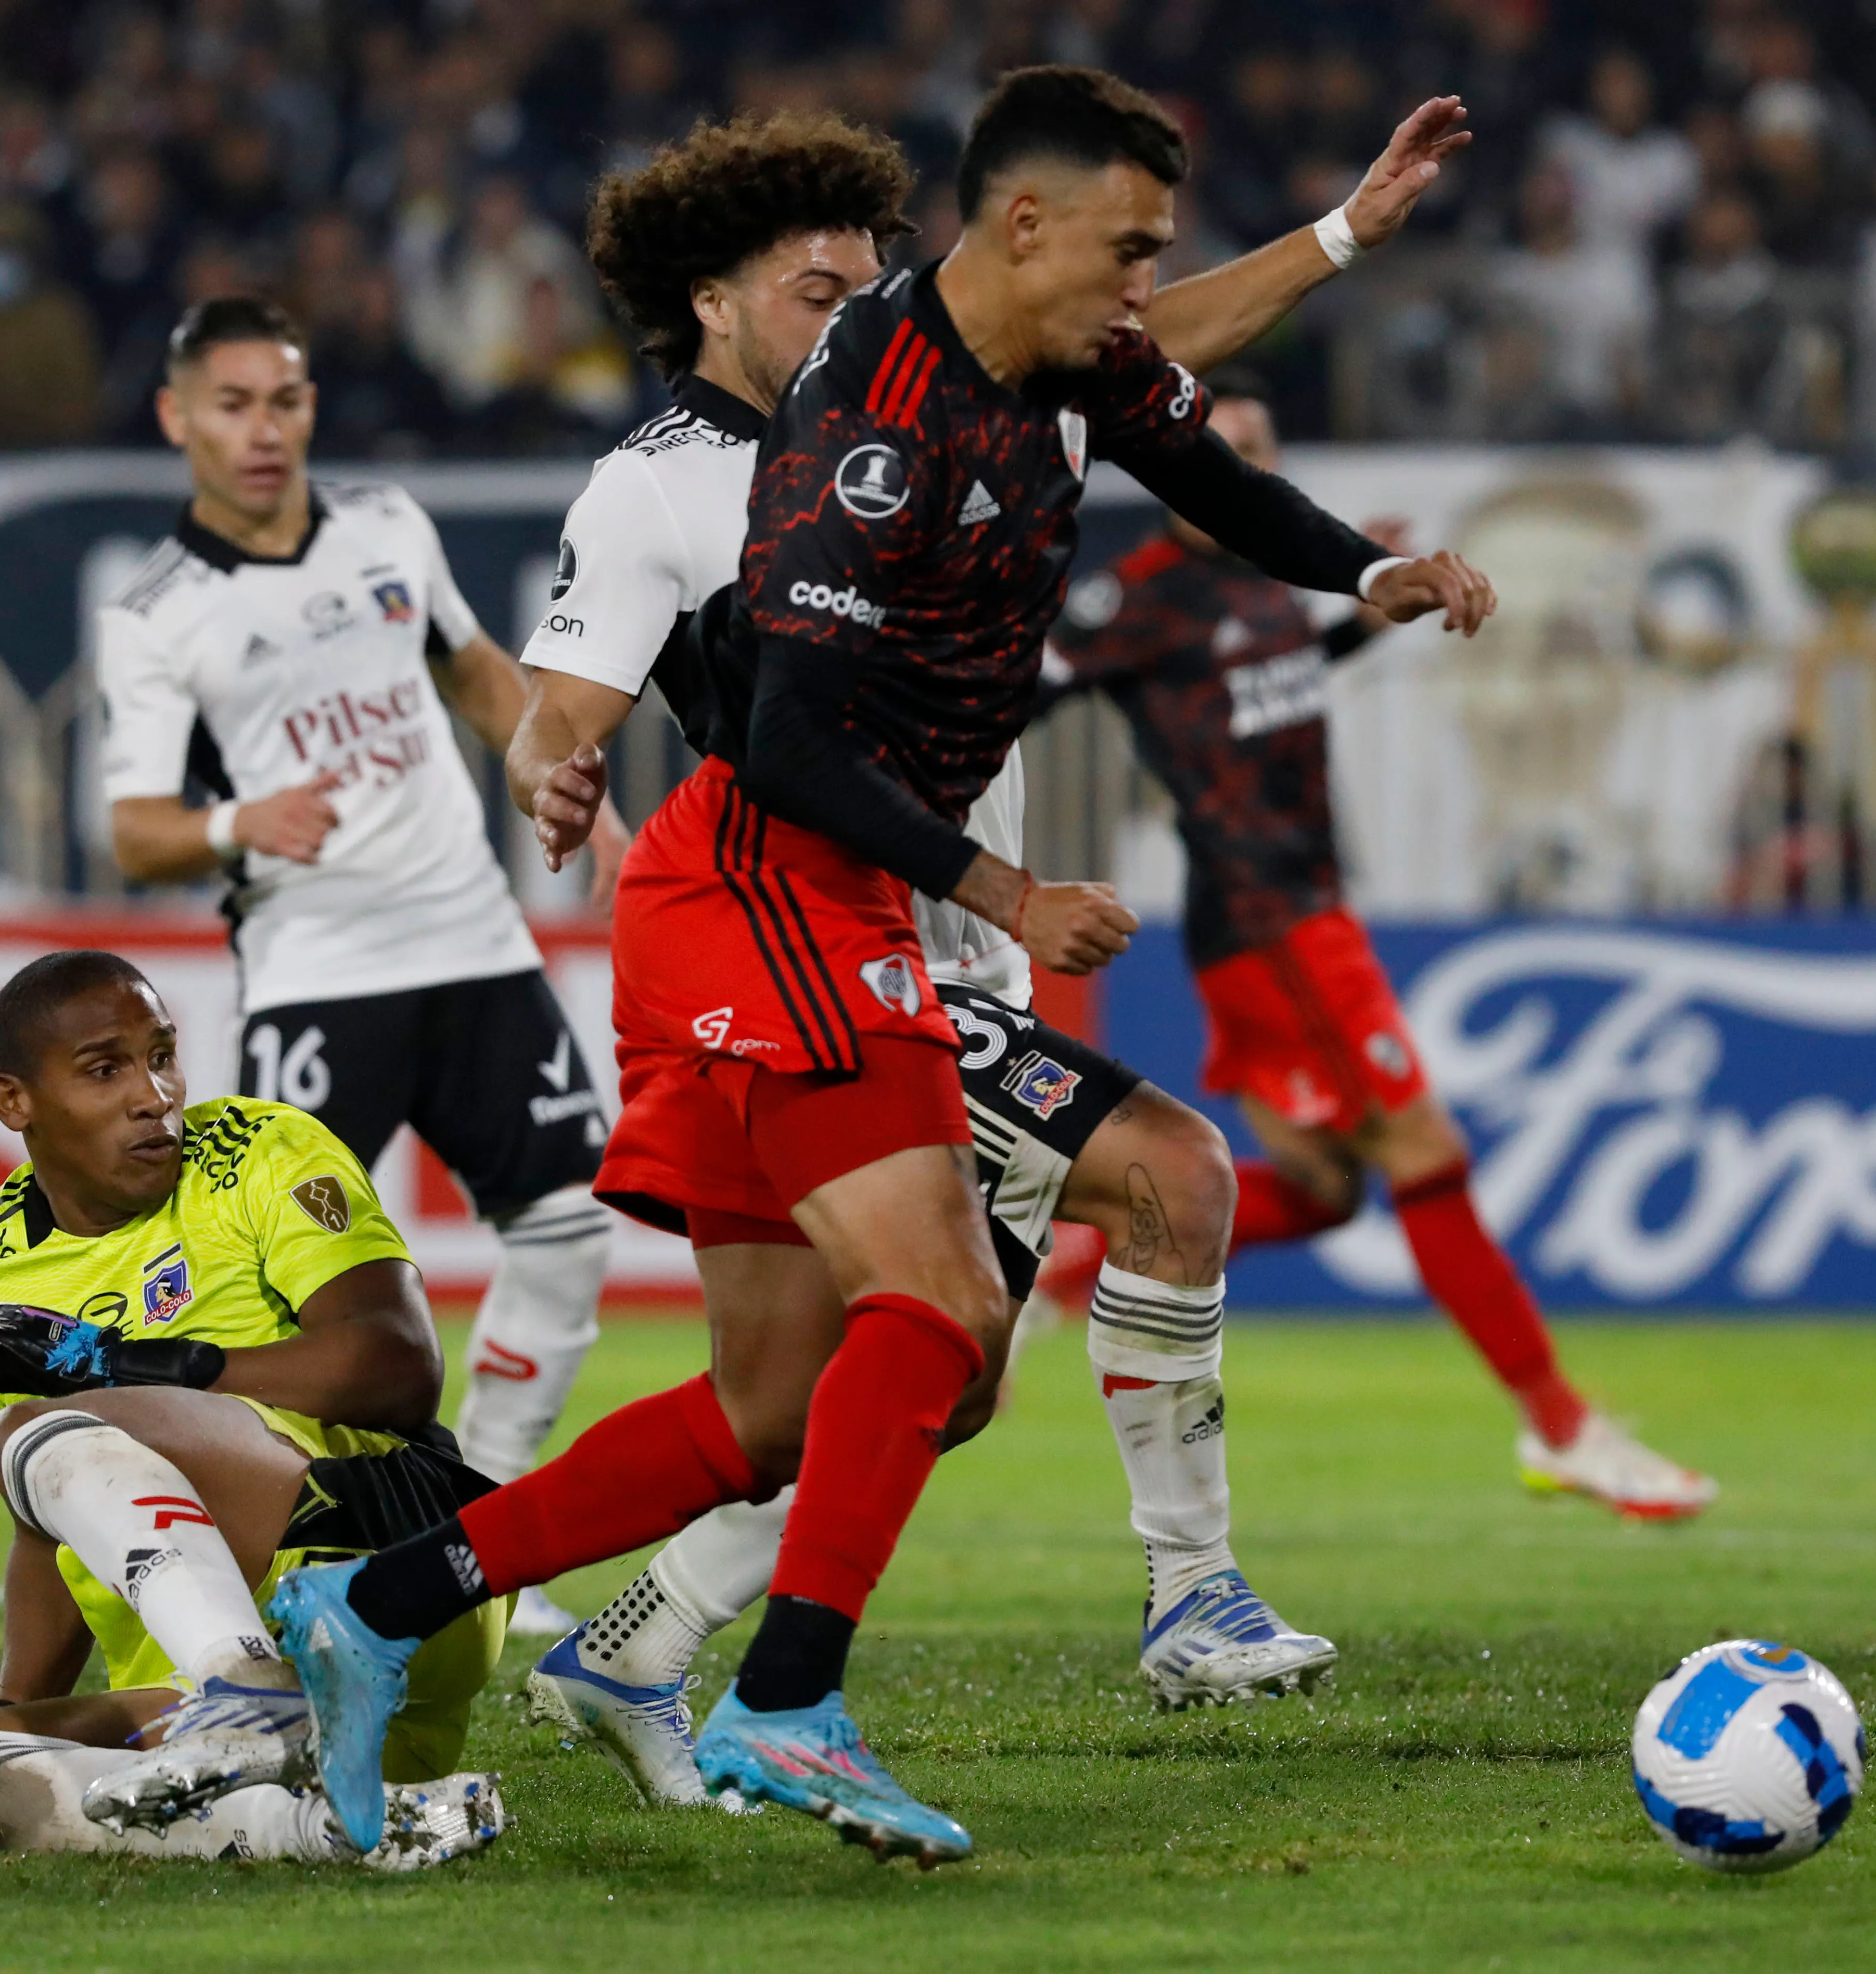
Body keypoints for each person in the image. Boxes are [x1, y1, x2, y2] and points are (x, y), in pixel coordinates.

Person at [265, 66, 1495, 1869]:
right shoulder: (808, 453)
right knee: (951, 1313)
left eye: (856, 275)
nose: (1142, 283)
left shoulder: (1031, 360)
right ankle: (796, 1696)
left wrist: (1359, 557)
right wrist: (572, 757)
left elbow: (1181, 432)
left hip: (834, 903)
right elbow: (762, 750)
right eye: (806, 286)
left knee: (794, 1401)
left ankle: (387, 1605)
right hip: (784, 892)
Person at [1035, 381, 1715, 1519]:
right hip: (1271, 921)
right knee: (1423, 1150)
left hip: (1297, 916)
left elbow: (1258, 688)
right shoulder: (1135, 598)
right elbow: (1020, 694)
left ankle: (1053, 1276)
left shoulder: (1264, 585)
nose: (1243, 474)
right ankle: (1561, 1425)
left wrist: (1357, 621)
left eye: (1260, 456)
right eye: (1221, 454)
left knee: (1326, 1186)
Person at [97, 295, 628, 1637]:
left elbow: (477, 673)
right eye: (230, 405)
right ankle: (288, 1552)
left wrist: (573, 783)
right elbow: (134, 829)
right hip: (318, 973)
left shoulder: (392, 525)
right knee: (290, 1295)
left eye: (283, 400)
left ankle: (491, 1541)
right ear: (178, 420)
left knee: (568, 1230)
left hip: (476, 945)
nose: (261, 430)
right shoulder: (159, 614)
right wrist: (238, 822)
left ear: (311, 406)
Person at [0, 949, 509, 1864]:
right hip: (271, 1702)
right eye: (107, 1069)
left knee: (35, 1426)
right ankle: (319, 1828)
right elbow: (49, 1514)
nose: (156, 1096)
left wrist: (147, 1364)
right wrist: (17, 1712)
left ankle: (247, 1692)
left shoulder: (260, 1149)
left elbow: (399, 1364)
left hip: (389, 1563)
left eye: (163, 1054)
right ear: (14, 1104)